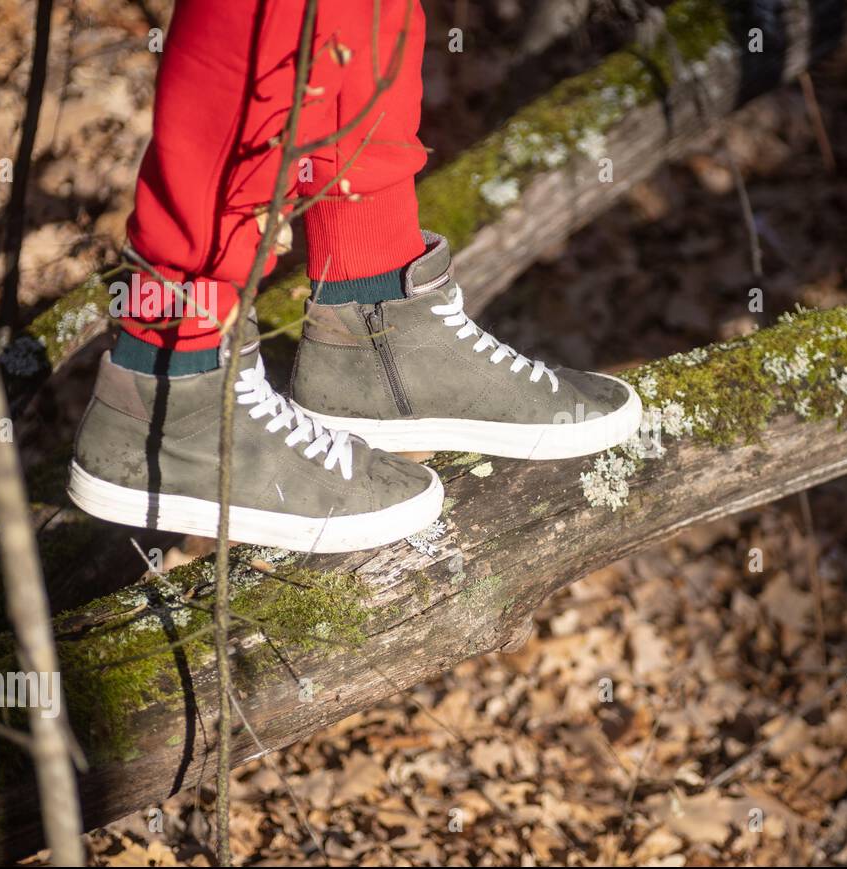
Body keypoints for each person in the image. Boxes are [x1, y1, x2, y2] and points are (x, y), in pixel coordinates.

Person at [67, 0, 642, 553]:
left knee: (363, 19)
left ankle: (377, 310)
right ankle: (169, 372)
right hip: (168, 372)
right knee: (265, 24)